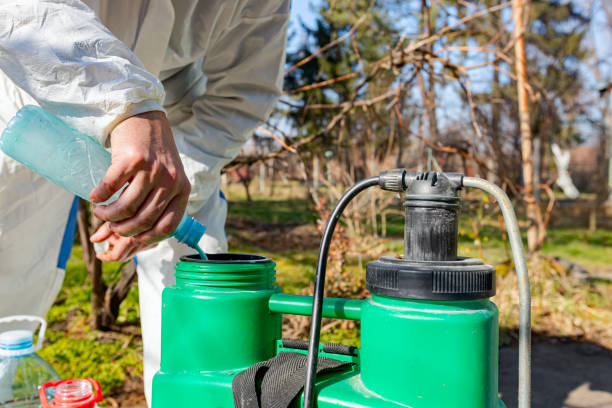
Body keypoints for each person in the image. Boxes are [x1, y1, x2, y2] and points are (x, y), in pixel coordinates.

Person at [0, 0, 289, 404]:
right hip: (38, 85)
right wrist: (127, 105)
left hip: (182, 132)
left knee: (202, 307)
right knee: (8, 288)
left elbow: (242, 93)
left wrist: (161, 195)